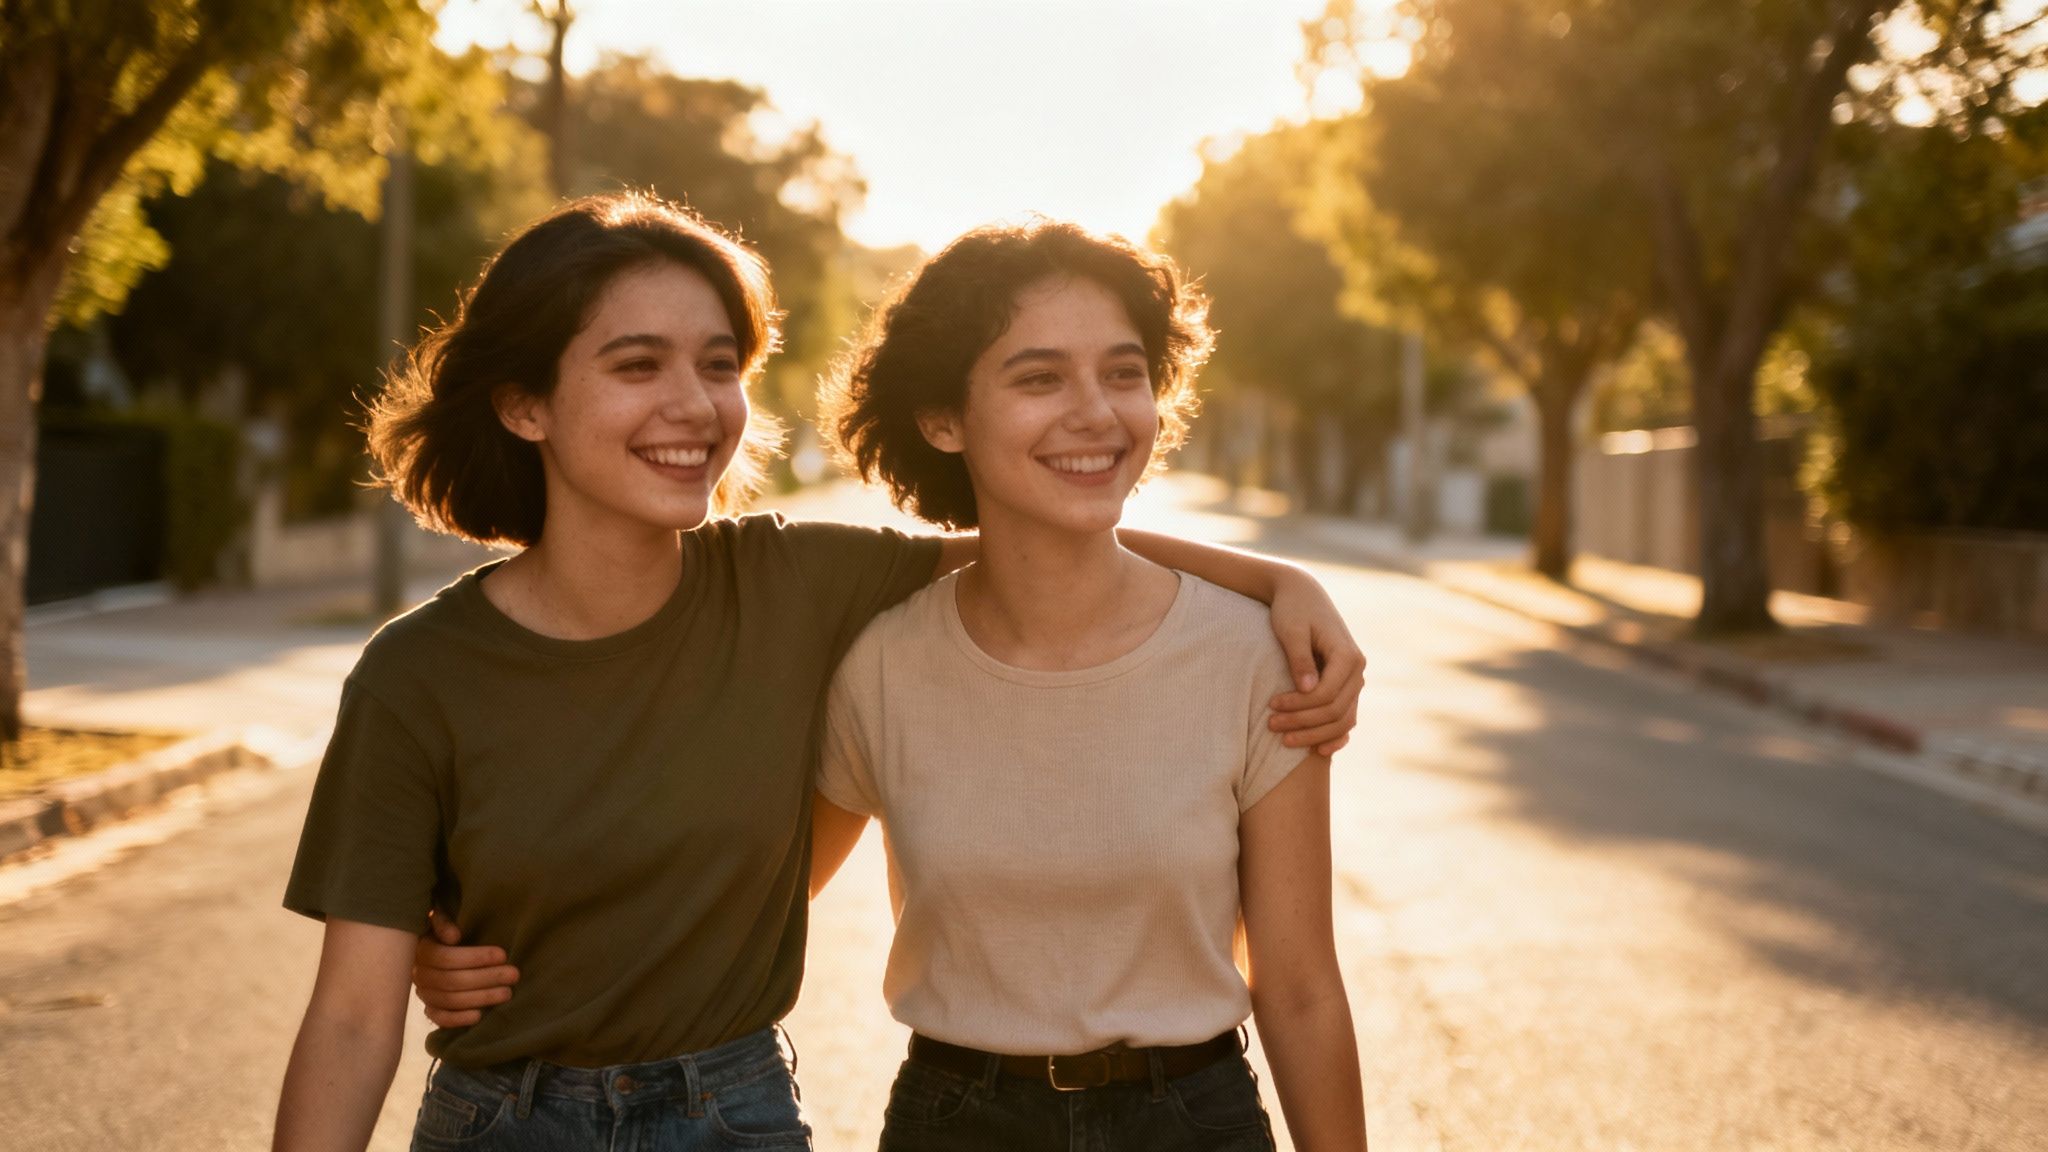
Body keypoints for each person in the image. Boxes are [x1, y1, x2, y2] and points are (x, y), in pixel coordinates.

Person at [275, 194, 1363, 1152]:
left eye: (717, 365)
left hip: (745, 1115)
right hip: (518, 1124)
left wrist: (1276, 582)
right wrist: (456, 951)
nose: (695, 406)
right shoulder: (417, 676)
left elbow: (1034, 538)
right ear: (524, 405)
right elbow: (354, 1019)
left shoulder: (791, 583)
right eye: (636, 363)